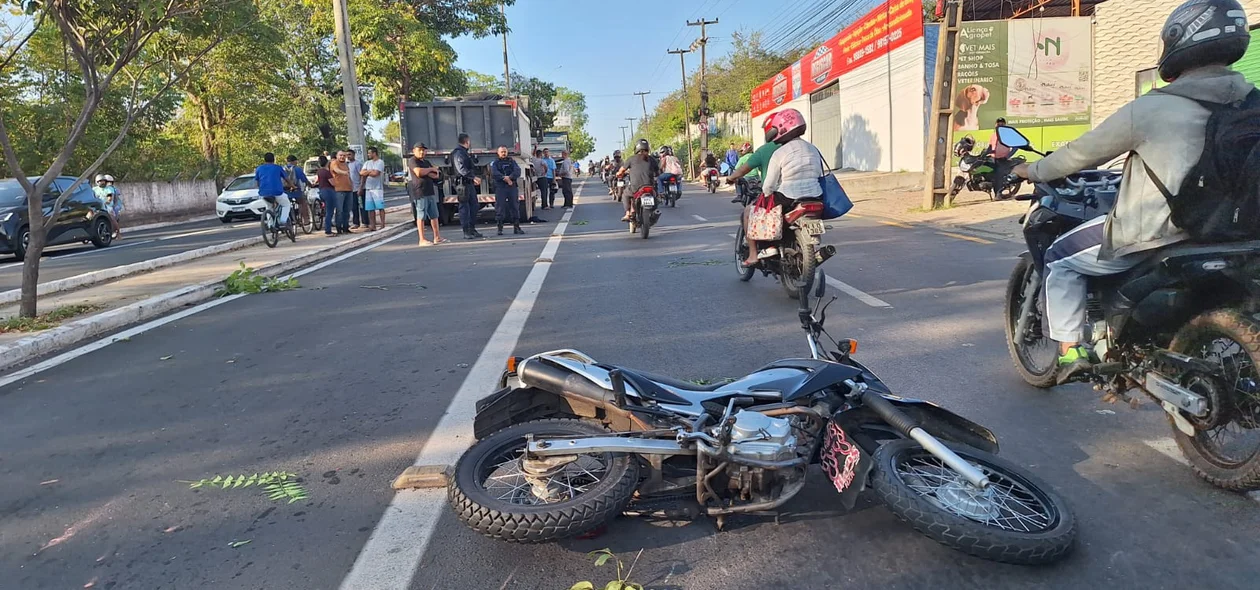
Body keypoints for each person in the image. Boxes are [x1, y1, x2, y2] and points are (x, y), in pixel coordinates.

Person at [1012, 0, 1255, 383]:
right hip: (1237, 235)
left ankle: (1071, 350)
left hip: (1163, 234)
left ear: (1178, 41)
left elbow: (1078, 154)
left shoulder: (1153, 108)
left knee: (1060, 259)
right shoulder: (1252, 101)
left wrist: (1032, 169)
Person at [744, 108, 822, 267]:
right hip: (816, 195)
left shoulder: (780, 153)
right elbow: (819, 173)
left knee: (749, 212)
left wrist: (766, 194)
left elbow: (769, 185)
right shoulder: (813, 149)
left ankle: (759, 252)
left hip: (788, 196)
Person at [408, 143, 446, 246]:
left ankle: (437, 237)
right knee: (421, 215)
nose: (422, 152)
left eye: (423, 150)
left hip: (430, 191)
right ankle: (422, 239)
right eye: (419, 150)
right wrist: (430, 169)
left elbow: (436, 174)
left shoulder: (426, 162)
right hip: (419, 192)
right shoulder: (412, 161)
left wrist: (429, 171)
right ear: (414, 150)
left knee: (434, 215)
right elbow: (419, 172)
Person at [616, 139, 660, 222]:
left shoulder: (631, 159)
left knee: (625, 194)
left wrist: (618, 174)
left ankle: (628, 213)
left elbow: (621, 171)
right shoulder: (652, 159)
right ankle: (655, 210)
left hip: (636, 187)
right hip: (650, 186)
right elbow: (658, 173)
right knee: (656, 195)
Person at [452, 133, 484, 240]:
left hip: (468, 183)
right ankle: (466, 230)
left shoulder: (464, 153)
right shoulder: (458, 153)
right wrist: (473, 177)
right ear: (467, 142)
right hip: (463, 184)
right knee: (464, 208)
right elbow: (461, 169)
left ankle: (472, 229)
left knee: (474, 206)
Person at [490, 145, 524, 235]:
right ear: (498, 153)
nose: (504, 153)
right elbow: (494, 173)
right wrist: (504, 178)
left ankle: (516, 227)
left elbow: (517, 171)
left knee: (514, 206)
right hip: (500, 187)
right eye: (502, 152)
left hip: (511, 187)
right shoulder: (495, 163)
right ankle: (500, 228)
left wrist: (510, 177)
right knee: (500, 207)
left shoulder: (511, 162)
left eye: (505, 151)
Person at [255, 152, 292, 229]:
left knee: (269, 207)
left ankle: (270, 224)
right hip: (277, 192)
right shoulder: (278, 168)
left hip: (263, 193)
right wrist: (293, 186)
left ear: (264, 160)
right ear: (274, 159)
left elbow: (257, 182)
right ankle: (283, 221)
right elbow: (287, 179)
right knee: (286, 204)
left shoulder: (259, 168)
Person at [361, 147, 387, 231]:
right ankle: (372, 225)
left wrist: (367, 172)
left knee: (380, 207)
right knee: (370, 208)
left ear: (374, 153)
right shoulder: (367, 163)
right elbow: (361, 173)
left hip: (377, 188)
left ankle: (382, 224)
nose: (368, 155)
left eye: (369, 153)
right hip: (368, 187)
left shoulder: (380, 162)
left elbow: (376, 173)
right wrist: (369, 171)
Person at [282, 155, 310, 226]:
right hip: (296, 190)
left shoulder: (282, 169)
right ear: (294, 161)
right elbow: (304, 179)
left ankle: (285, 220)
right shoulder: (297, 169)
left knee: (284, 204)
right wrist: (310, 185)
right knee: (302, 202)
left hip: (285, 191)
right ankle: (305, 219)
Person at [330, 150, 354, 233]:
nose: (342, 157)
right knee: (339, 210)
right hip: (338, 190)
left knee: (347, 210)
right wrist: (344, 172)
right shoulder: (334, 163)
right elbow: (336, 170)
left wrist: (351, 184)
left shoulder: (346, 164)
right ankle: (339, 227)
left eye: (344, 155)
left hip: (348, 189)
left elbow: (348, 176)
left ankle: (346, 227)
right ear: (337, 156)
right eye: (340, 155)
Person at [316, 156, 340, 236]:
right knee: (330, 211)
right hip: (329, 191)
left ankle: (328, 228)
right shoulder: (327, 172)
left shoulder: (319, 171)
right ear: (327, 163)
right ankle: (328, 230)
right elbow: (332, 183)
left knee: (327, 210)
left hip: (322, 191)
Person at [347, 149, 364, 229]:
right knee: (354, 207)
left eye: (349, 154)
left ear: (353, 155)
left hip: (358, 188)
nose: (348, 156)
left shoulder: (357, 164)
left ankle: (365, 222)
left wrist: (361, 187)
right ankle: (356, 223)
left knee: (362, 206)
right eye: (347, 155)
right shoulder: (346, 165)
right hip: (351, 189)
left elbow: (361, 175)